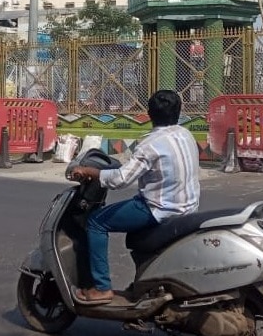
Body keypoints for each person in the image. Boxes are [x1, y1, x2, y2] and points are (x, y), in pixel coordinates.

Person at [70, 89, 200, 305]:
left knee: (95, 222)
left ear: (149, 114)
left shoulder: (151, 144)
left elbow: (121, 179)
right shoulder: (185, 135)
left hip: (159, 208)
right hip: (187, 208)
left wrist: (90, 172)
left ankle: (101, 288)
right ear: (178, 113)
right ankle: (144, 283)